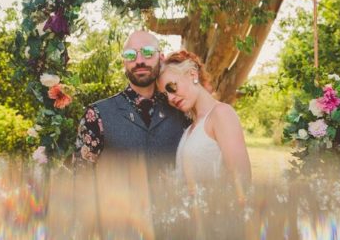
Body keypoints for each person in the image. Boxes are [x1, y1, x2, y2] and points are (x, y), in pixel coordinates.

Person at [75, 30, 189, 164]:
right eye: (130, 55)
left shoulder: (181, 110)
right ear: (124, 62)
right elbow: (81, 177)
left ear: (161, 58)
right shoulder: (96, 114)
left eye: (148, 52)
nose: (139, 61)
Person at [157, 50, 252, 186]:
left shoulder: (221, 114)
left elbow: (243, 181)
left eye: (171, 87)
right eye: (165, 95)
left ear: (192, 74)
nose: (170, 98)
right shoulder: (191, 128)